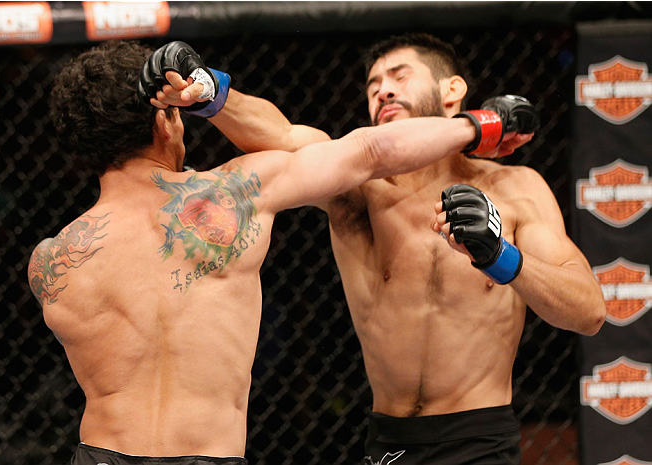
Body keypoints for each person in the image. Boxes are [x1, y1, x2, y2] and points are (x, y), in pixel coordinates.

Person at [26, 40, 532, 465]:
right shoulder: (237, 192)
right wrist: (482, 125)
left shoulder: (50, 261)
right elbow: (370, 152)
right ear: (168, 122)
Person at [146, 33, 607, 465]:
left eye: (399, 76)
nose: (383, 90)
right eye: (373, 84)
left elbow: (587, 311)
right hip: (388, 440)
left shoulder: (518, 189)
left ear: (452, 91)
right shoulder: (359, 186)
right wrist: (206, 90)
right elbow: (284, 138)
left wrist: (500, 256)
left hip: (479, 437)